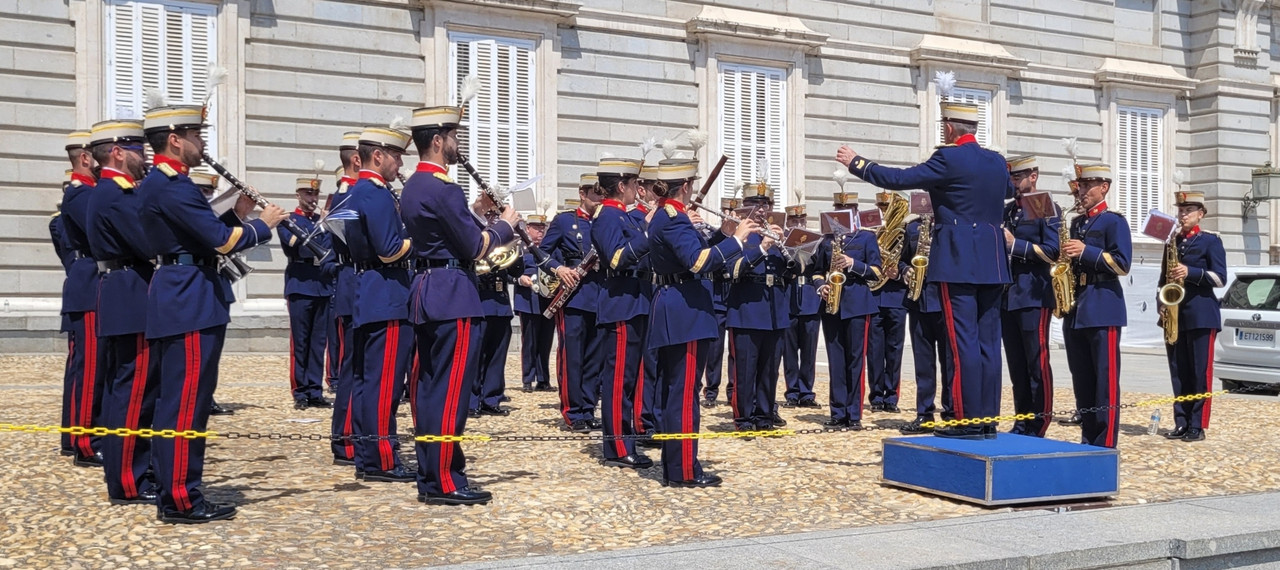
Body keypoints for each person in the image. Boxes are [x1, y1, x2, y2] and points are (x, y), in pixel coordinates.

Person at [139, 103, 286, 523]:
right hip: (189, 300)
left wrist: (237, 214)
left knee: (180, 401)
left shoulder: (164, 185)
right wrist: (264, 223)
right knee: (186, 403)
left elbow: (197, 232)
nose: (202, 145)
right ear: (174, 140)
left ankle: (177, 488)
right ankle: (182, 497)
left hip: (181, 294)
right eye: (197, 137)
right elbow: (219, 242)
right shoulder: (174, 186)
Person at [837, 99, 1013, 440]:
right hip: (992, 261)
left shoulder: (947, 158)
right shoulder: (996, 161)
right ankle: (987, 417)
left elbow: (899, 178)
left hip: (957, 261)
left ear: (948, 128)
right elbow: (1006, 192)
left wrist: (857, 163)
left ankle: (965, 420)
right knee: (989, 344)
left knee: (963, 344)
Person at [401, 104, 518, 505]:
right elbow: (473, 246)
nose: (456, 145)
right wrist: (505, 225)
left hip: (426, 290)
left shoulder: (413, 186)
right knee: (450, 390)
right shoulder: (444, 188)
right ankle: (446, 480)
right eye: (453, 137)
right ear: (438, 141)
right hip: (453, 293)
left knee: (428, 388)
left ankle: (430, 472)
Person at [647, 158, 761, 487]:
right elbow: (697, 264)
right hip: (685, 310)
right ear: (685, 186)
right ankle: (682, 470)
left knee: (676, 392)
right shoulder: (674, 219)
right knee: (683, 395)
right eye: (692, 185)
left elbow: (693, 256)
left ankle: (677, 465)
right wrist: (737, 240)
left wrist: (722, 237)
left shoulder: (668, 216)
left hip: (678, 306)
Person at [84, 119, 158, 505]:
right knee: (134, 392)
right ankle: (129, 481)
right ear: (116, 152)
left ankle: (131, 472)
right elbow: (149, 243)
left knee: (125, 389)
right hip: (132, 294)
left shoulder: (111, 191)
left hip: (122, 291)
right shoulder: (117, 193)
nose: (143, 156)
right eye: (136, 149)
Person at [344, 125, 415, 483]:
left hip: (371, 292)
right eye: (397, 155)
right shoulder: (375, 193)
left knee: (367, 381)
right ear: (378, 156)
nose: (400, 162)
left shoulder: (362, 191)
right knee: (383, 384)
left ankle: (367, 453)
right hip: (387, 294)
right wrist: (420, 239)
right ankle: (381, 459)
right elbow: (389, 250)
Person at [1061, 163, 1131, 449]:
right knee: (1083, 379)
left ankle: (1106, 442)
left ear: (1104, 187)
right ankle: (1088, 438)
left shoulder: (1113, 221)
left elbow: (1122, 263)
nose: (1082, 191)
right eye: (1080, 185)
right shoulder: (1077, 223)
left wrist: (1086, 251)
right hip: (1077, 307)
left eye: (1088, 185)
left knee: (1105, 380)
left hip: (1103, 304)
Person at [590, 157, 654, 469]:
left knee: (629, 378)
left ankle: (625, 438)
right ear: (621, 186)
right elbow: (617, 259)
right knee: (618, 380)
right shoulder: (606, 217)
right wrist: (648, 232)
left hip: (636, 299)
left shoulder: (625, 217)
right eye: (633, 185)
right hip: (620, 302)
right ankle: (616, 447)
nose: (637, 190)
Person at [722, 183, 790, 431]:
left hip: (774, 310)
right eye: (756, 205)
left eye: (766, 205)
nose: (762, 210)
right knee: (746, 369)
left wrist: (789, 246)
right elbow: (732, 270)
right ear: (745, 207)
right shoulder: (740, 236)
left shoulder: (777, 234)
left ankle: (764, 416)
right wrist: (762, 248)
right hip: (747, 309)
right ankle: (743, 417)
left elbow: (794, 269)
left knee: (769, 369)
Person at [1000, 155, 1059, 437]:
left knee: (1037, 361)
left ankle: (1040, 420)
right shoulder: (1008, 210)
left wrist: (1015, 245)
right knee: (1017, 364)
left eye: (1018, 177)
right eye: (1011, 177)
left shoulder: (1044, 205)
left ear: (1033, 176)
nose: (1014, 182)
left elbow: (1053, 251)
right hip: (1009, 295)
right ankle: (1022, 420)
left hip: (1034, 294)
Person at [1160, 191, 1225, 442]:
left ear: (1201, 214)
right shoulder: (1172, 241)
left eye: (1188, 211)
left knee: (1200, 372)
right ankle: (1182, 421)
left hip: (1201, 314)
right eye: (1181, 210)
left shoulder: (1210, 241)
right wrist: (1161, 304)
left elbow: (1220, 278)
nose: (1183, 215)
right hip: (1176, 313)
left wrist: (1190, 272)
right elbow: (1163, 279)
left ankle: (1197, 425)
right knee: (1179, 371)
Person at [540, 177, 604, 432]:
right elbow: (542, 252)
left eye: (602, 193)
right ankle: (572, 411)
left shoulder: (606, 221)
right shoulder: (565, 221)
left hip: (600, 296)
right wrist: (559, 268)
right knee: (572, 357)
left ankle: (588, 408)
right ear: (582, 193)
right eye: (594, 193)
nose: (599, 198)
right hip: (574, 297)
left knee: (594, 359)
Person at [814, 193, 881, 429]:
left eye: (848, 208)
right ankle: (837, 412)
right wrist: (820, 285)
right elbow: (816, 270)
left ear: (855, 210)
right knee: (836, 361)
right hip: (832, 305)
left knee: (855, 361)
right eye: (839, 208)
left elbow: (877, 271)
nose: (842, 212)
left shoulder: (866, 238)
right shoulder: (826, 240)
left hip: (857, 303)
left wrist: (854, 264)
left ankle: (854, 414)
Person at [59, 128, 105, 467]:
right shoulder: (81, 194)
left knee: (93, 366)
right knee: (89, 368)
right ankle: (84, 442)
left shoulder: (91, 191)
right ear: (85, 158)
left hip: (95, 286)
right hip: (89, 285)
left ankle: (79, 436)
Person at [282, 177, 335, 410]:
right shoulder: (289, 221)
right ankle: (300, 391)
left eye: (315, 195)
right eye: (307, 194)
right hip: (300, 283)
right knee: (301, 342)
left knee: (318, 342)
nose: (312, 199)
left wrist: (324, 224)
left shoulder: (320, 221)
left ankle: (315, 390)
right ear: (298, 195)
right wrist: (321, 227)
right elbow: (299, 246)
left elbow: (330, 247)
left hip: (322, 284)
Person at [898, 216, 953, 434]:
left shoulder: (948, 224)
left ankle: (951, 414)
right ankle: (924, 413)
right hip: (918, 300)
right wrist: (905, 271)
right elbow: (902, 259)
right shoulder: (912, 226)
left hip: (943, 299)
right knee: (923, 363)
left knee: (949, 361)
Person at [190, 172, 237, 418]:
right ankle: (199, 398)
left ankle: (207, 396)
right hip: (198, 286)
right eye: (203, 191)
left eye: (210, 192)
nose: (207, 196)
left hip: (217, 285)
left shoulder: (210, 216)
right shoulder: (192, 215)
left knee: (211, 353)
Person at [328, 132, 362, 466]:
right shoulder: (346, 195)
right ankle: (347, 439)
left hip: (356, 284)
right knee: (354, 368)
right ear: (356, 160)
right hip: (354, 285)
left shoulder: (349, 194)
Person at [470, 210, 523, 417]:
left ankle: (490, 399)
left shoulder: (504, 239)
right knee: (476, 355)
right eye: (490, 215)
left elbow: (516, 272)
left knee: (497, 355)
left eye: (497, 216)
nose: (494, 218)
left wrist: (515, 249)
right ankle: (472, 401)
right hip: (480, 300)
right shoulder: (480, 238)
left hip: (500, 303)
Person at [867, 192, 909, 414]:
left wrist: (898, 272)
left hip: (896, 296)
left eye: (888, 206)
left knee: (894, 349)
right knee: (874, 350)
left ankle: (891, 397)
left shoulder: (905, 231)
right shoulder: (871, 230)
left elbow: (910, 259)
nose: (885, 210)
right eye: (882, 206)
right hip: (874, 296)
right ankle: (875, 396)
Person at [781, 204, 821, 409]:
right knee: (789, 352)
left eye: (801, 220)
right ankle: (792, 392)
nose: (799, 224)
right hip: (788, 300)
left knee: (809, 351)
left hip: (810, 300)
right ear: (788, 222)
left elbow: (820, 268)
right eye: (794, 221)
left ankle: (807, 392)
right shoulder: (782, 242)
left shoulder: (815, 242)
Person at [700, 197, 739, 409]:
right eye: (726, 212)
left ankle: (733, 390)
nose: (730, 216)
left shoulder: (746, 236)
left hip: (734, 296)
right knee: (713, 350)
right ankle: (711, 391)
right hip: (716, 295)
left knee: (736, 349)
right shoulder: (713, 235)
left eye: (734, 212)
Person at [515, 215, 555, 393]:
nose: (540, 231)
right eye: (537, 228)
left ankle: (543, 379)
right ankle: (528, 378)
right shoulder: (520, 249)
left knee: (546, 341)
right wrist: (519, 279)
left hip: (547, 299)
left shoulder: (550, 248)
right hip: (528, 300)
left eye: (542, 228)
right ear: (527, 229)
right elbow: (509, 271)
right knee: (529, 341)